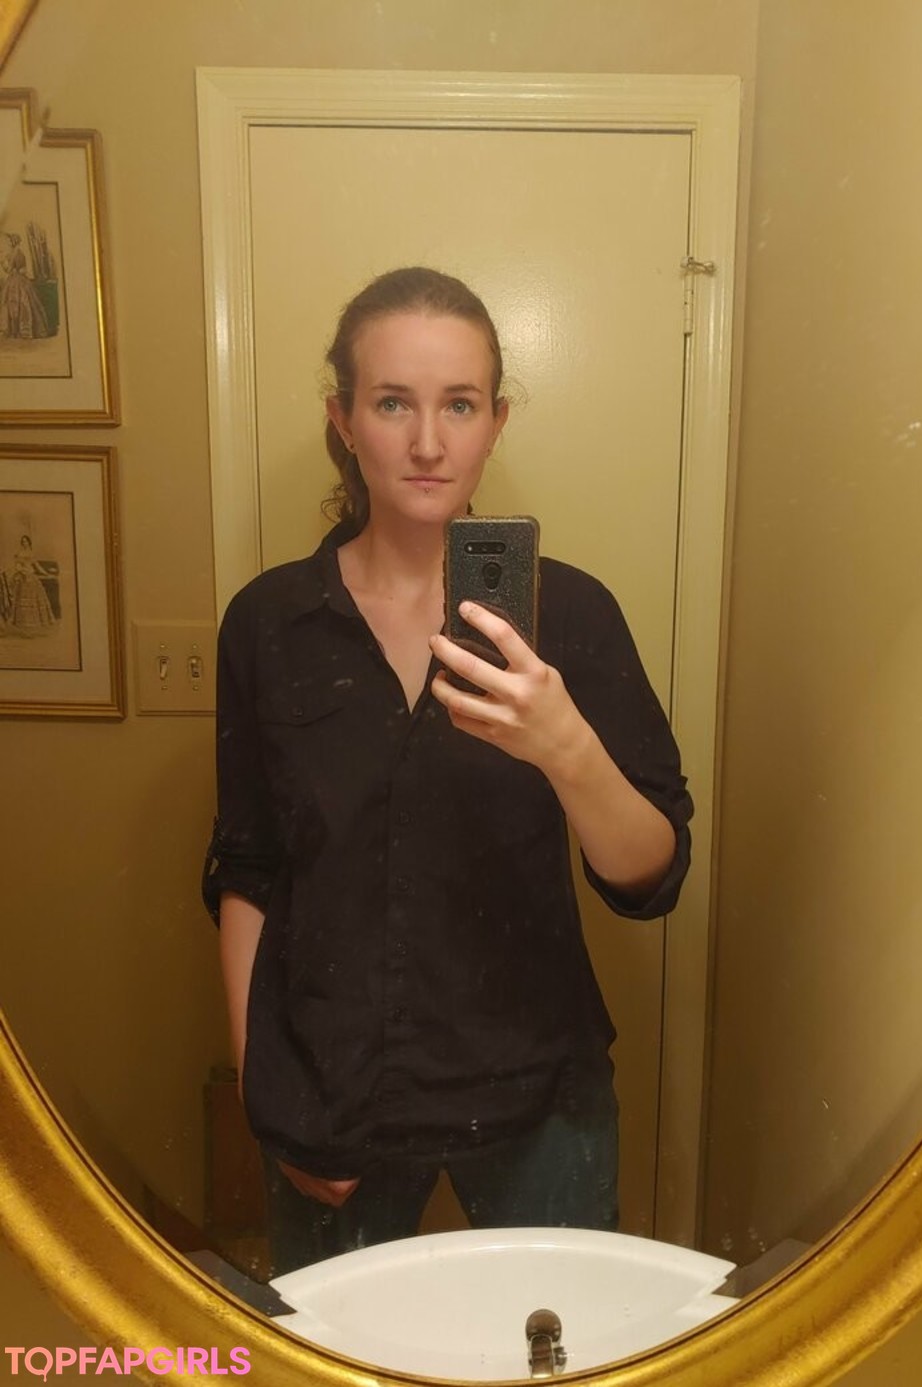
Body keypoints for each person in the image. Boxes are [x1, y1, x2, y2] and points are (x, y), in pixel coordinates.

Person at [202, 266, 692, 1277]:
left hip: (535, 1097)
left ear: (496, 421)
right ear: (343, 419)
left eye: (460, 404)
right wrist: (265, 1088)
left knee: (558, 1341)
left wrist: (564, 743)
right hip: (330, 1093)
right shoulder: (268, 624)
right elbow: (248, 864)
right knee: (332, 1351)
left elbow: (653, 874)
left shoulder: (572, 617)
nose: (429, 442)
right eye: (393, 403)